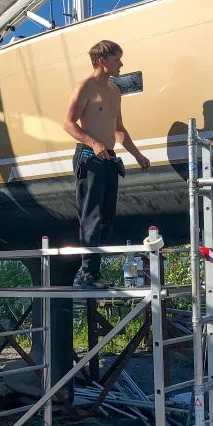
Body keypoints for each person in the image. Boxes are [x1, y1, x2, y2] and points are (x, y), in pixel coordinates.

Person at [63, 40, 150, 287]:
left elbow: (119, 129)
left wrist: (137, 154)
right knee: (91, 214)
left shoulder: (114, 91)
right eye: (116, 60)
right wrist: (93, 143)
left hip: (109, 158)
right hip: (90, 157)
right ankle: (88, 274)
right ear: (102, 61)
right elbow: (68, 124)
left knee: (107, 217)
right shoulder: (85, 88)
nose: (121, 64)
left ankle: (91, 271)